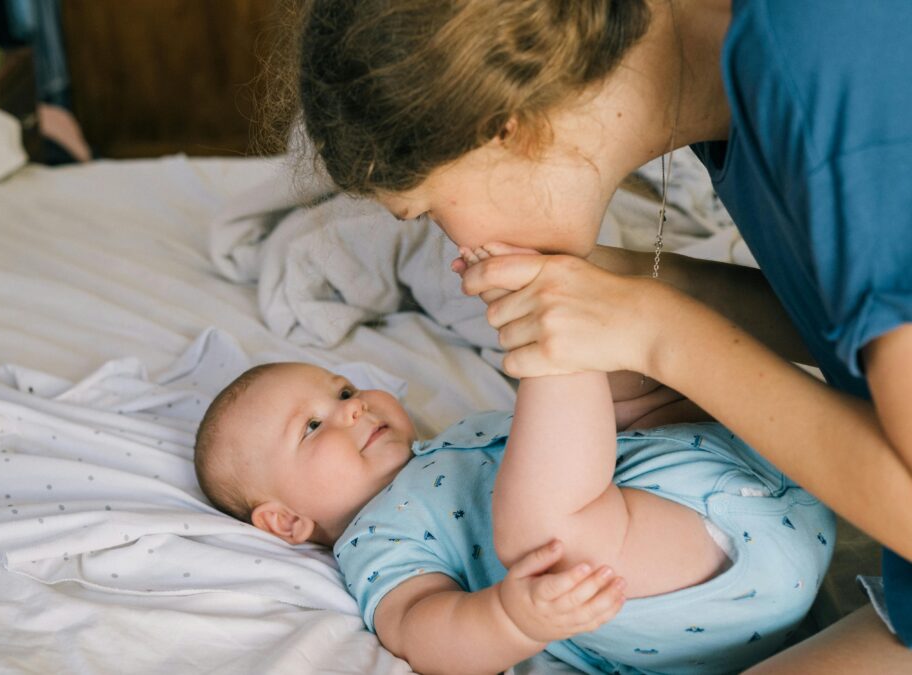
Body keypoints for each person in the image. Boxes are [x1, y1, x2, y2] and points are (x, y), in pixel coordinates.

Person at [287, 0, 912, 669]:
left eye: (432, 210)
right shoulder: (727, 89)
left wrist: (660, 332)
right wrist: (651, 291)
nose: (455, 241)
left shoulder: (820, 57)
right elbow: (856, 320)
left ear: (503, 129)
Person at [193, 332, 834, 674]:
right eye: (312, 427)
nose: (352, 406)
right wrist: (511, 620)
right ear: (286, 520)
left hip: (766, 474)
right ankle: (563, 343)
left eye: (342, 390)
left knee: (615, 393)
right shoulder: (374, 540)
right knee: (547, 536)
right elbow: (420, 629)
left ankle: (603, 334)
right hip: (695, 583)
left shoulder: (459, 434)